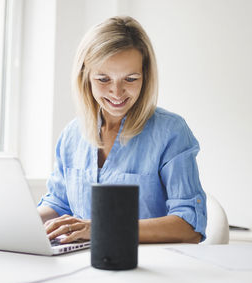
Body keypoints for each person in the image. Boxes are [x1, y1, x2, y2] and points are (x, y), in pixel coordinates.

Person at [37, 16, 207, 244]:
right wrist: (16, 224)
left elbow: (189, 226)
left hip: (148, 269)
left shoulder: (171, 132)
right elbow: (59, 204)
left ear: (145, 77)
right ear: (85, 76)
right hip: (81, 265)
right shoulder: (72, 135)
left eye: (130, 78)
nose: (117, 92)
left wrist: (102, 228)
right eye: (103, 79)